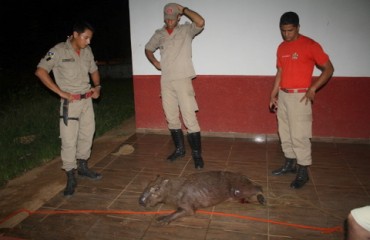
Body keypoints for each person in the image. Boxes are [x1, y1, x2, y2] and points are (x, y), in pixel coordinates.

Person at [35, 21, 102, 197]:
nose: (88, 42)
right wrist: (60, 92)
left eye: (90, 39)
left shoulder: (87, 51)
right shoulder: (57, 51)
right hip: (70, 104)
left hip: (87, 102)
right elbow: (41, 71)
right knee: (69, 140)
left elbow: (94, 70)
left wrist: (98, 87)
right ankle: (70, 176)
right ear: (75, 34)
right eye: (86, 38)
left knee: (87, 135)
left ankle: (83, 167)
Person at [269, 12, 334, 189]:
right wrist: (273, 94)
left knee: (300, 135)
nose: (286, 34)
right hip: (283, 95)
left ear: (298, 27)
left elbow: (329, 69)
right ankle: (289, 164)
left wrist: (313, 88)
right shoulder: (281, 47)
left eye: (290, 30)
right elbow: (280, 73)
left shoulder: (310, 45)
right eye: (283, 31)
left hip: (300, 96)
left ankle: (303, 170)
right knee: (285, 132)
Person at [145, 3, 205, 169]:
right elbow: (148, 49)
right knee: (171, 117)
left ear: (178, 17)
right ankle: (179, 150)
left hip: (182, 79)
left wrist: (184, 9)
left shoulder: (186, 30)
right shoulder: (159, 34)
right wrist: (155, 62)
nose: (169, 21)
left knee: (189, 118)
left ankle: (197, 155)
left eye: (172, 18)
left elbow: (200, 22)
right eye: (166, 18)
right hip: (166, 81)